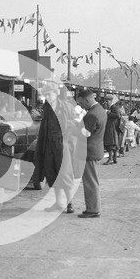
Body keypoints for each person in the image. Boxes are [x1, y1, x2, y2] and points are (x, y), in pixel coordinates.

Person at [34, 81, 77, 213]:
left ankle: (70, 203)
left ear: (56, 93)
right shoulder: (46, 109)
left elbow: (77, 124)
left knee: (65, 173)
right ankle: (59, 203)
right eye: (45, 94)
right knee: (51, 172)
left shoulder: (66, 106)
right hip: (49, 144)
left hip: (62, 144)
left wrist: (68, 134)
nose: (47, 96)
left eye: (49, 93)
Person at [76, 88, 106, 218]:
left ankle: (93, 210)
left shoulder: (91, 115)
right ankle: (93, 208)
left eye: (81, 102)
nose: (80, 105)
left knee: (90, 182)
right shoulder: (101, 110)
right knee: (92, 180)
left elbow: (85, 134)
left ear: (87, 100)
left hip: (89, 152)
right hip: (96, 149)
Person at [103, 99, 120, 164]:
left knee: (110, 143)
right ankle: (114, 158)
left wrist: (109, 113)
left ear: (110, 101)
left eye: (107, 101)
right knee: (113, 144)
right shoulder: (112, 107)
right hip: (111, 127)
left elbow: (117, 115)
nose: (106, 103)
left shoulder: (114, 107)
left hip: (111, 128)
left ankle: (110, 159)